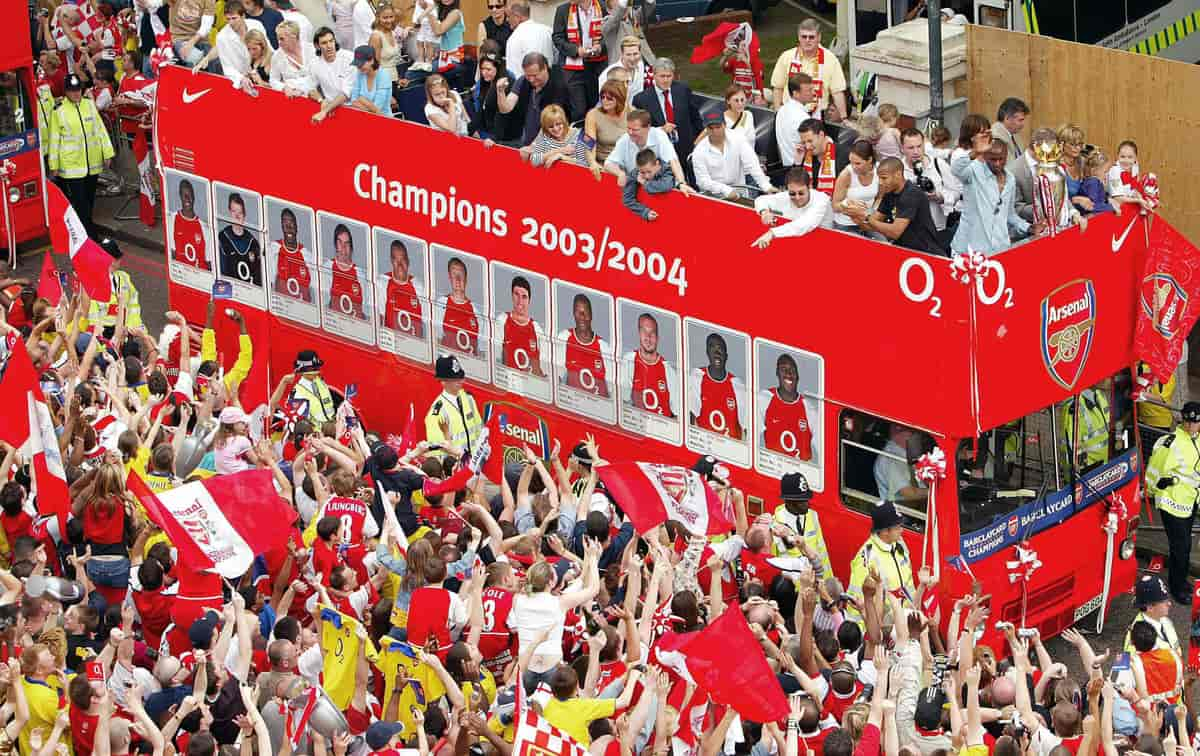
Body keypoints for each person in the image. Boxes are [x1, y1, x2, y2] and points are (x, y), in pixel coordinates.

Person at [1145, 401, 1200, 604]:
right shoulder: (1170, 443)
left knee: (1184, 546)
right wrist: (1152, 491)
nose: (1190, 426)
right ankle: (1177, 588)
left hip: (1189, 500)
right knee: (1181, 546)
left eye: (1194, 423)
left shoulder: (1198, 440)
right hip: (1171, 502)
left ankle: (1182, 581)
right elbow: (1153, 472)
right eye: (1187, 422)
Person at [47, 74, 114, 238]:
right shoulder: (59, 111)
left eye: (78, 90)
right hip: (71, 165)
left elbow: (100, 131)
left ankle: (84, 228)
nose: (76, 94)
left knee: (89, 200)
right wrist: (53, 165)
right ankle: (89, 235)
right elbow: (54, 139)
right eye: (72, 91)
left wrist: (108, 153)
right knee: (80, 202)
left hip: (92, 163)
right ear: (66, 92)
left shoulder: (89, 106)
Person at [951, 134, 1040, 256]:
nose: (997, 163)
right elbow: (956, 169)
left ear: (1007, 157)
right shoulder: (974, 171)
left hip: (999, 248)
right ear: (985, 156)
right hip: (969, 249)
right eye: (993, 159)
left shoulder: (1010, 179)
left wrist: (1028, 227)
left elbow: (1009, 214)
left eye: (1001, 159)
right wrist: (975, 152)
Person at [846, 157, 944, 256]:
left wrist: (866, 216)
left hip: (927, 253)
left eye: (884, 178)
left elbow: (895, 232)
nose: (880, 182)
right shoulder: (889, 193)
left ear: (898, 175)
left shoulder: (911, 194)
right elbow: (870, 226)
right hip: (905, 251)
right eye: (879, 178)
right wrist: (854, 214)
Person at [631, 58, 702, 175]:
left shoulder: (683, 90)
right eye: (662, 76)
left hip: (686, 146)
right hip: (659, 151)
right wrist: (660, 130)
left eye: (669, 76)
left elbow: (695, 117)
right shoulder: (642, 99)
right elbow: (640, 130)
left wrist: (697, 142)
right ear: (654, 75)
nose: (665, 80)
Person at [846, 500, 915, 619]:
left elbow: (909, 584)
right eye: (897, 527)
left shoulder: (900, 545)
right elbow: (858, 603)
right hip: (883, 629)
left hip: (903, 623)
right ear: (885, 531)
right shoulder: (867, 557)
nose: (902, 530)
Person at [603, 109, 692, 198]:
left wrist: (681, 183)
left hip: (659, 189)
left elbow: (673, 161)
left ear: (648, 127)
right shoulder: (624, 139)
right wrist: (620, 173)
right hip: (634, 188)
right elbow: (608, 164)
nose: (630, 133)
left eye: (635, 130)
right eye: (628, 128)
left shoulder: (659, 135)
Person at [769, 19, 846, 119]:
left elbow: (838, 92)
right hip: (789, 114)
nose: (807, 40)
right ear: (799, 37)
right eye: (804, 37)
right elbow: (777, 87)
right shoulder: (787, 56)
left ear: (819, 37)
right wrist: (778, 111)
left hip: (817, 116)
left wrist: (844, 118)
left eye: (811, 37)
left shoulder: (830, 59)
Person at [692, 110, 771, 201]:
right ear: (706, 129)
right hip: (713, 197)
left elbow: (752, 163)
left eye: (718, 127)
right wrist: (725, 190)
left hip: (740, 193)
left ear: (725, 125)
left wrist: (765, 185)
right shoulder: (699, 151)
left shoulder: (738, 138)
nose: (715, 131)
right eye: (711, 128)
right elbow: (702, 181)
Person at [496, 53, 571, 147]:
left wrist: (534, 146)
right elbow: (506, 108)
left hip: (551, 144)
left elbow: (551, 122)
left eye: (535, 75)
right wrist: (500, 91)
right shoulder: (523, 81)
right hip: (526, 141)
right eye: (528, 75)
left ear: (545, 68)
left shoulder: (558, 86)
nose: (531, 80)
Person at [552, 0, 608, 121]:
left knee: (596, 106)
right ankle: (577, 137)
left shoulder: (602, 7)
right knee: (579, 109)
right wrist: (576, 50)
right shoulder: (563, 10)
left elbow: (609, 33)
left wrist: (600, 46)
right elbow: (557, 37)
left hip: (597, 65)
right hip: (574, 67)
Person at [192, 0, 265, 90]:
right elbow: (227, 66)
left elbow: (268, 49)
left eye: (234, 18)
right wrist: (241, 78)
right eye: (228, 19)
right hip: (241, 81)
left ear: (243, 16)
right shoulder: (222, 36)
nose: (231, 22)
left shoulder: (257, 25)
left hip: (262, 74)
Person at [757, 352, 817, 462]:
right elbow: (749, 433)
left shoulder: (809, 408)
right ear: (777, 373)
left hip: (801, 473)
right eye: (783, 369)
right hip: (774, 470)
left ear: (798, 377)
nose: (788, 373)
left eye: (792, 370)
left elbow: (822, 448)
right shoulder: (765, 398)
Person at [751, 167, 833, 247]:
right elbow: (760, 200)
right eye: (792, 194)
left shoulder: (822, 200)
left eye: (801, 193)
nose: (797, 198)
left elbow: (804, 224)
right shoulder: (785, 196)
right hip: (795, 238)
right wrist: (765, 212)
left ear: (809, 188)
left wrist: (772, 233)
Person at [687, 332, 747, 440]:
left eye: (720, 349)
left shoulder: (737, 384)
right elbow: (691, 415)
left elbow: (746, 428)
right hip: (706, 447)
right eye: (712, 348)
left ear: (726, 356)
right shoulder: (697, 376)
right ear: (707, 353)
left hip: (730, 450)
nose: (717, 353)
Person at [620, 312, 678, 417]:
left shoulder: (668, 369)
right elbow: (623, 402)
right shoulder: (629, 360)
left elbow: (677, 413)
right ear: (639, 334)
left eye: (652, 333)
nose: (648, 337)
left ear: (658, 337)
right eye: (644, 332)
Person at [554, 293, 613, 397]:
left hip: (598, 406)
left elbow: (611, 389)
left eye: (585, 312)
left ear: (591, 315)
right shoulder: (564, 337)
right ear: (573, 314)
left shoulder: (603, 347)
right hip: (573, 403)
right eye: (578, 312)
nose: (582, 316)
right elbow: (556, 377)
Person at [424, 355, 484, 456]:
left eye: (461, 377)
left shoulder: (468, 399)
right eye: (455, 379)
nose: (461, 381)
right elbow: (437, 452)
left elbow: (479, 430)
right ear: (443, 382)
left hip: (474, 463)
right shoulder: (436, 413)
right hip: (455, 467)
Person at [900, 128, 955, 238]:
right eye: (911, 148)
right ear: (902, 149)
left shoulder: (938, 164)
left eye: (919, 146)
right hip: (909, 232)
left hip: (937, 230)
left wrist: (939, 197)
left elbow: (956, 192)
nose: (916, 151)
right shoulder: (898, 169)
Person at [772, 472, 830, 574]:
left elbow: (823, 553)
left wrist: (827, 582)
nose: (807, 504)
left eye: (807, 499)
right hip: (793, 587)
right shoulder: (775, 527)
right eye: (802, 501)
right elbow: (772, 563)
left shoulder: (812, 516)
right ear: (789, 501)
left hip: (814, 583)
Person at [87, 238, 144, 335]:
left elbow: (133, 302)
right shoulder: (93, 283)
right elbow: (93, 317)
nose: (121, 260)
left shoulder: (124, 277)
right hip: (106, 332)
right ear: (112, 260)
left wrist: (133, 325)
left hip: (126, 329)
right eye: (119, 258)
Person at [496, 276, 546, 376]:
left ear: (529, 300)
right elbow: (495, 357)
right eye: (516, 294)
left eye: (524, 297)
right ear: (511, 295)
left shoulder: (536, 329)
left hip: (530, 386)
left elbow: (543, 367)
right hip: (508, 382)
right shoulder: (502, 320)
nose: (520, 301)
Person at [434, 256, 483, 356]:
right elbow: (436, 340)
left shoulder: (476, 311)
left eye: (461, 275)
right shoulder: (441, 304)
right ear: (449, 278)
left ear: (466, 278)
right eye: (454, 275)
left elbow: (481, 349)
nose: (458, 279)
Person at [830, 139, 878, 235]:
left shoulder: (879, 171)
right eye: (851, 162)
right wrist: (847, 203)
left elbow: (880, 197)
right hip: (845, 224)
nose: (853, 167)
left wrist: (870, 213)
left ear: (869, 160)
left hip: (868, 222)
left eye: (857, 163)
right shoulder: (846, 174)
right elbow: (835, 206)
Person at [309, 27, 356, 122]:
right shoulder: (314, 63)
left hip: (354, 108)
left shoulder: (349, 58)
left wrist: (324, 111)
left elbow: (346, 93)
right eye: (324, 43)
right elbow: (310, 88)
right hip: (332, 111)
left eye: (331, 41)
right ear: (317, 46)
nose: (329, 46)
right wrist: (321, 100)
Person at [584, 79, 628, 180]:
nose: (604, 100)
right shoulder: (593, 115)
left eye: (609, 98)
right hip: (604, 165)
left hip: (626, 165)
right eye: (602, 97)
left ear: (619, 98)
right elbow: (589, 145)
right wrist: (592, 163)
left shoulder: (631, 112)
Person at [217, 192, 263, 287]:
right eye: (234, 211)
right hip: (230, 290)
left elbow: (258, 278)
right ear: (230, 212)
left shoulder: (253, 242)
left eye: (240, 213)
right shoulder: (222, 237)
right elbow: (219, 272)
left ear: (244, 214)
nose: (237, 216)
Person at [381, 239, 425, 337]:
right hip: (391, 344)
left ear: (408, 261)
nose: (400, 265)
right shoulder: (383, 282)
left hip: (413, 345)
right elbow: (378, 318)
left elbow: (425, 324)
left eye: (403, 260)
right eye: (396, 260)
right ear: (392, 261)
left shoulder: (418, 286)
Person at [167, 178, 213, 271]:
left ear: (194, 197)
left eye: (190, 195)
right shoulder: (172, 219)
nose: (187, 199)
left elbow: (208, 263)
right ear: (180, 197)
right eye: (184, 195)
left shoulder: (204, 228)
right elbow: (172, 254)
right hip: (182, 275)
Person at [503, 3, 553, 87]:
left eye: (508, 16)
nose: (507, 20)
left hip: (527, 89)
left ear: (517, 17)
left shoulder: (514, 38)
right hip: (549, 84)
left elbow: (512, 73)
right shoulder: (548, 30)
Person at [271, 207, 314, 303]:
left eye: (291, 222)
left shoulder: (306, 255)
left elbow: (314, 291)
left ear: (297, 227)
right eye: (285, 222)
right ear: (282, 227)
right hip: (282, 308)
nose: (288, 226)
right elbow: (270, 283)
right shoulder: (274, 249)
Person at [774, 74, 815, 170]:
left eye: (812, 89)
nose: (813, 93)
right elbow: (812, 147)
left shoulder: (782, 110)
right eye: (809, 90)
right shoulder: (803, 118)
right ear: (796, 93)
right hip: (801, 167)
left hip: (786, 165)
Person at [622, 148, 674, 221]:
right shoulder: (635, 173)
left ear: (657, 163)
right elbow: (627, 199)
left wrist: (644, 182)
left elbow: (665, 186)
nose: (646, 176)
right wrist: (644, 212)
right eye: (643, 172)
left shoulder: (667, 169)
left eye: (649, 172)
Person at [796, 118, 844, 196]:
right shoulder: (806, 155)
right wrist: (798, 161)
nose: (807, 147)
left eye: (810, 141)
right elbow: (796, 185)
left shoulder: (843, 155)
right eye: (804, 142)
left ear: (821, 135)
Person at [599, 35, 652, 106]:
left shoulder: (640, 65)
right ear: (622, 54)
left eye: (635, 54)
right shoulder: (608, 74)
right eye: (628, 55)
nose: (632, 59)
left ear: (640, 53)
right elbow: (605, 102)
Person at [327, 223, 365, 319]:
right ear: (335, 245)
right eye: (340, 243)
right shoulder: (327, 268)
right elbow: (323, 306)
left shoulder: (360, 275)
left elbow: (365, 312)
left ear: (351, 247)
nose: (343, 247)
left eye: (347, 243)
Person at [289, 349, 338, 423]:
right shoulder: (298, 393)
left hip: (333, 428)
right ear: (303, 370)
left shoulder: (320, 381)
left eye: (317, 368)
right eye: (313, 369)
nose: (316, 371)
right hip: (317, 433)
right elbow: (301, 423)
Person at [269, 20, 317, 96]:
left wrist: (302, 89)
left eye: (282, 39)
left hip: (316, 95)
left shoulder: (312, 50)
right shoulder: (277, 56)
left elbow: (318, 76)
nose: (279, 42)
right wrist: (284, 87)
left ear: (293, 37)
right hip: (292, 97)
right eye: (278, 39)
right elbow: (273, 80)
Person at [600, 0, 655, 65]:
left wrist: (649, 1)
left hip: (644, 62)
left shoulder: (633, 17)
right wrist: (622, 6)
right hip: (621, 67)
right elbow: (616, 18)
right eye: (616, 8)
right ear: (609, 11)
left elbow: (648, 8)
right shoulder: (606, 22)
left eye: (625, 8)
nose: (622, 11)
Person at [370, 6, 404, 101]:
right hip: (383, 87)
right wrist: (386, 95)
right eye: (385, 18)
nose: (389, 20)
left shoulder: (392, 33)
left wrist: (397, 80)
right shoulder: (376, 37)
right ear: (378, 18)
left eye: (391, 17)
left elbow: (391, 63)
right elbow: (374, 68)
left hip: (393, 81)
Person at [169, 0, 217, 68]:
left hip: (202, 40)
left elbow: (206, 26)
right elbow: (154, 4)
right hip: (180, 38)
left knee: (215, 62)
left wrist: (191, 43)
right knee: (194, 58)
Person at [990, 96, 1029, 164]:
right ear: (1007, 118)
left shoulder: (1014, 134)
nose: (1023, 124)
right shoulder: (996, 137)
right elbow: (1010, 168)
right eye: (1020, 120)